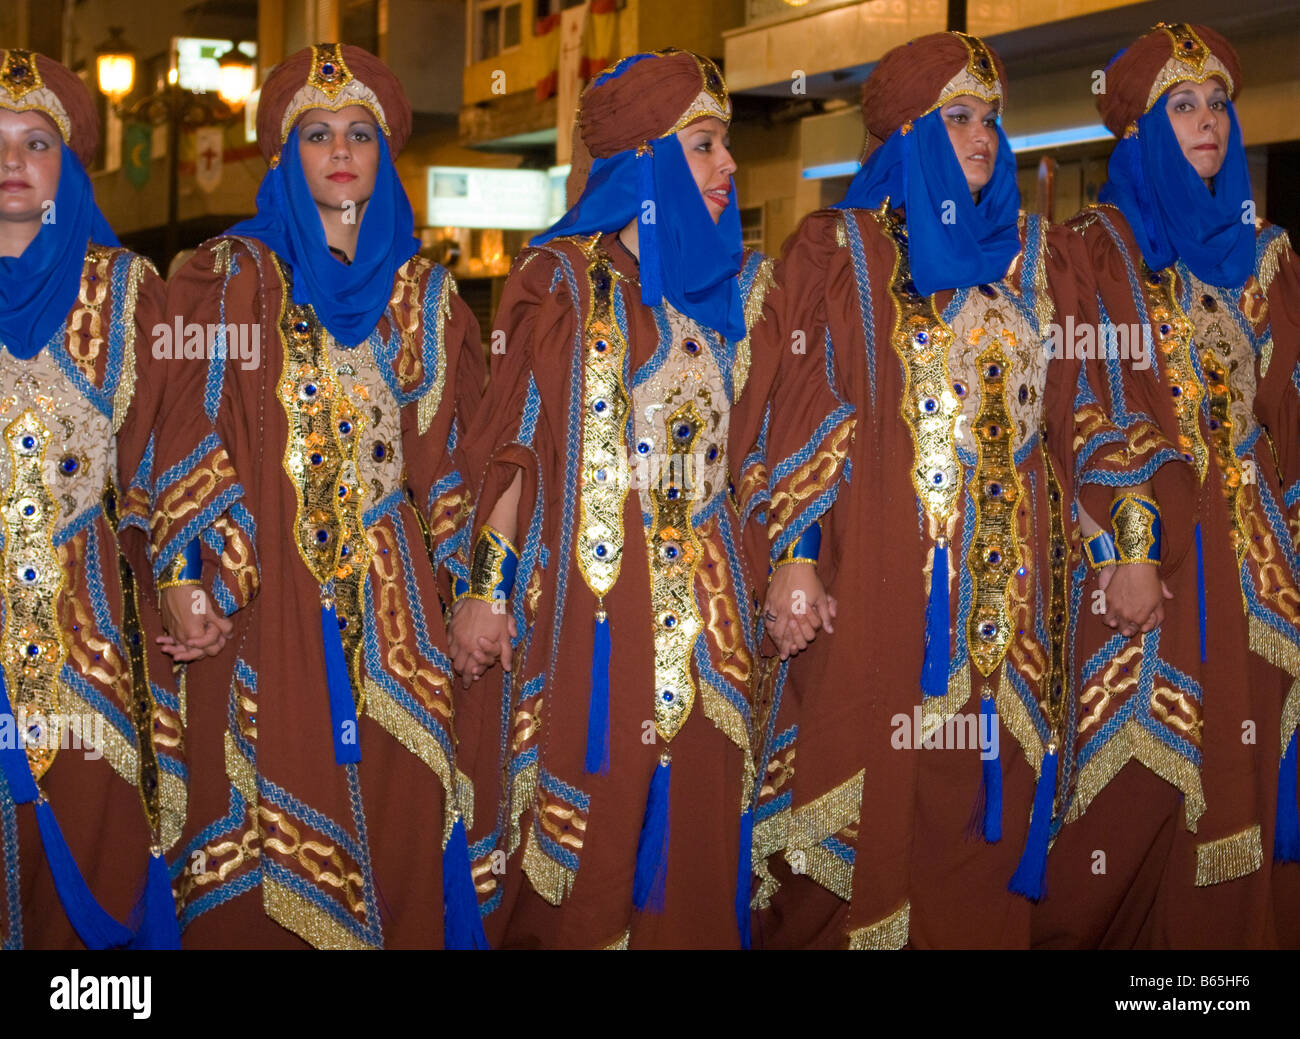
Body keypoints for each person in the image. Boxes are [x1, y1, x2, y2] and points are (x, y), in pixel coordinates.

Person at [749, 31, 1167, 949]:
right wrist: (795, 561)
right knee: (867, 832)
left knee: (990, 813)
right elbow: (805, 415)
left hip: (1011, 608)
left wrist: (1124, 546)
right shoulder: (844, 253)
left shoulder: (1037, 262)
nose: (982, 136)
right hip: (879, 598)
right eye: (958, 117)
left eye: (992, 120)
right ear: (907, 133)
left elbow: (1081, 421)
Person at [447, 48, 851, 949]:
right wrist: (484, 589)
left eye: (725, 145)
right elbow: (514, 450)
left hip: (713, 634)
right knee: (583, 858)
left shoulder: (744, 294)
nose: (728, 166)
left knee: (702, 851)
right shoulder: (560, 284)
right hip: (587, 634)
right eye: (703, 145)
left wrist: (795, 559)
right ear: (645, 159)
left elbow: (783, 441)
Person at [158, 43, 486, 949]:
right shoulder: (229, 279)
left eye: (358, 134)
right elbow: (184, 431)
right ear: (283, 156)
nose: (339, 151)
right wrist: (189, 575)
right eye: (315, 135)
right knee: (262, 871)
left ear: (383, 156)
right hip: (265, 610)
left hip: (395, 626)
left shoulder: (425, 298)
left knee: (404, 837)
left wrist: (478, 590)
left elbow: (458, 463)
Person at [1035, 22, 1300, 948]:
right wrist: (1134, 545)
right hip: (1151, 578)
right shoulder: (1094, 254)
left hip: (1260, 590)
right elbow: (1083, 412)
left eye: (1219, 103)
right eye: (1182, 105)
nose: (1209, 122)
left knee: (1250, 805)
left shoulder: (1262, 261)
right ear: (1140, 132)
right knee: (1128, 814)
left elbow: (1291, 406)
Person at [0, 48, 181, 948]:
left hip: (92, 638)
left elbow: (173, 449)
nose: (11, 162)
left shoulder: (125, 291)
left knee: (95, 841)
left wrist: (188, 574)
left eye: (36, 142)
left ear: (66, 165)